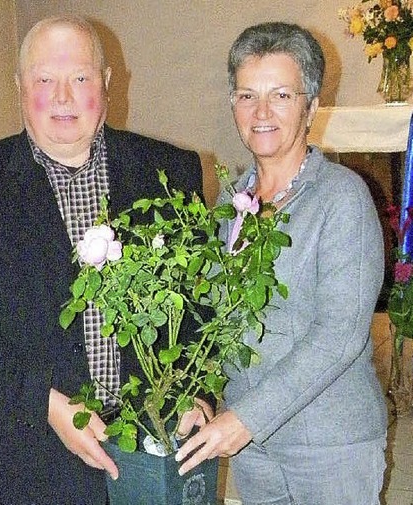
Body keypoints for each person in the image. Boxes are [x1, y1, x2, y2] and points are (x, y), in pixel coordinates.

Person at [0, 15, 204, 505]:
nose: (62, 96)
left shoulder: (170, 171)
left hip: (153, 444)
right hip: (29, 452)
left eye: (79, 78)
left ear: (108, 82)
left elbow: (199, 302)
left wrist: (198, 394)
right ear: (19, 87)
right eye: (44, 80)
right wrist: (44, 404)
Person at [174, 22, 388, 504]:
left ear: (310, 106)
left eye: (281, 96)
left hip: (329, 442)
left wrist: (245, 418)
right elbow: (215, 320)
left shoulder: (341, 198)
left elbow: (340, 335)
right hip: (255, 451)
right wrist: (202, 393)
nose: (262, 112)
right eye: (247, 95)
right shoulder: (231, 203)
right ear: (233, 106)